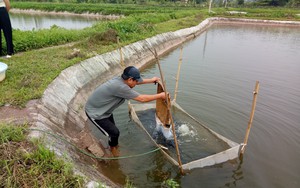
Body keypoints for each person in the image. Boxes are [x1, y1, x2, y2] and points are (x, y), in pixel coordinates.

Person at [85, 66, 166, 157]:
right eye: (135, 81)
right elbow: (142, 99)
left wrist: (151, 80)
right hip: (95, 113)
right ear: (130, 79)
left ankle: (114, 145)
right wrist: (161, 95)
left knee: (114, 132)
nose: (136, 83)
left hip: (105, 111)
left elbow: (138, 82)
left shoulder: (121, 80)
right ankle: (113, 150)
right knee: (114, 132)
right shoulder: (120, 87)